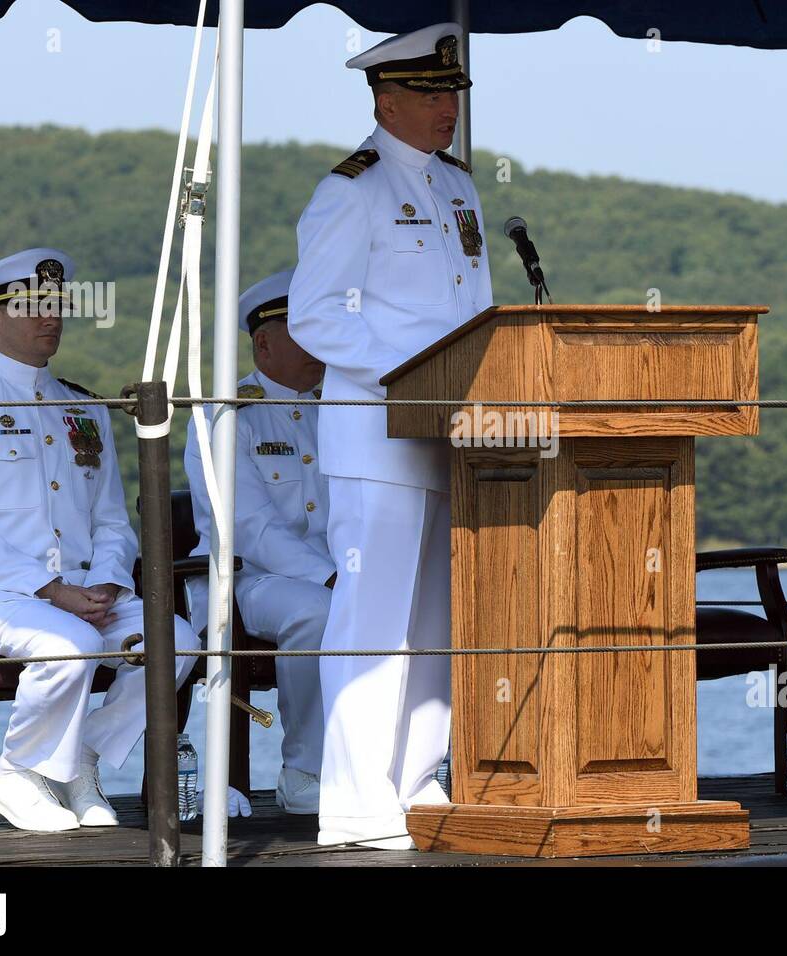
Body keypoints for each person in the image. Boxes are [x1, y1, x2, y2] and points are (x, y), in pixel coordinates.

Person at [288, 22, 492, 848]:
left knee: (439, 621)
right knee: (372, 623)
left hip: (454, 436)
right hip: (378, 434)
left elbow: (473, 308)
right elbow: (316, 319)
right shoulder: (352, 190)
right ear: (387, 99)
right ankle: (353, 800)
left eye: (452, 93)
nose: (448, 108)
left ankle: (416, 780)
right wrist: (419, 377)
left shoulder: (460, 188)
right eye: (432, 93)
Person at [0, 248, 200, 831]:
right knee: (71, 645)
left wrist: (104, 581)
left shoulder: (86, 407)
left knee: (178, 640)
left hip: (87, 592)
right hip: (1, 595)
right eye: (33, 307)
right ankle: (17, 771)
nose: (51, 317)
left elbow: (112, 521)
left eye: (57, 306)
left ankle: (79, 761)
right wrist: (51, 589)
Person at [185, 269, 334, 817]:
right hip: (247, 580)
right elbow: (249, 525)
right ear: (264, 341)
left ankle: (397, 765)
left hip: (333, 571)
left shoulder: (341, 408)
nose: (318, 343)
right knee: (319, 611)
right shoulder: (226, 414)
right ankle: (304, 772)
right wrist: (333, 575)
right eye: (303, 331)